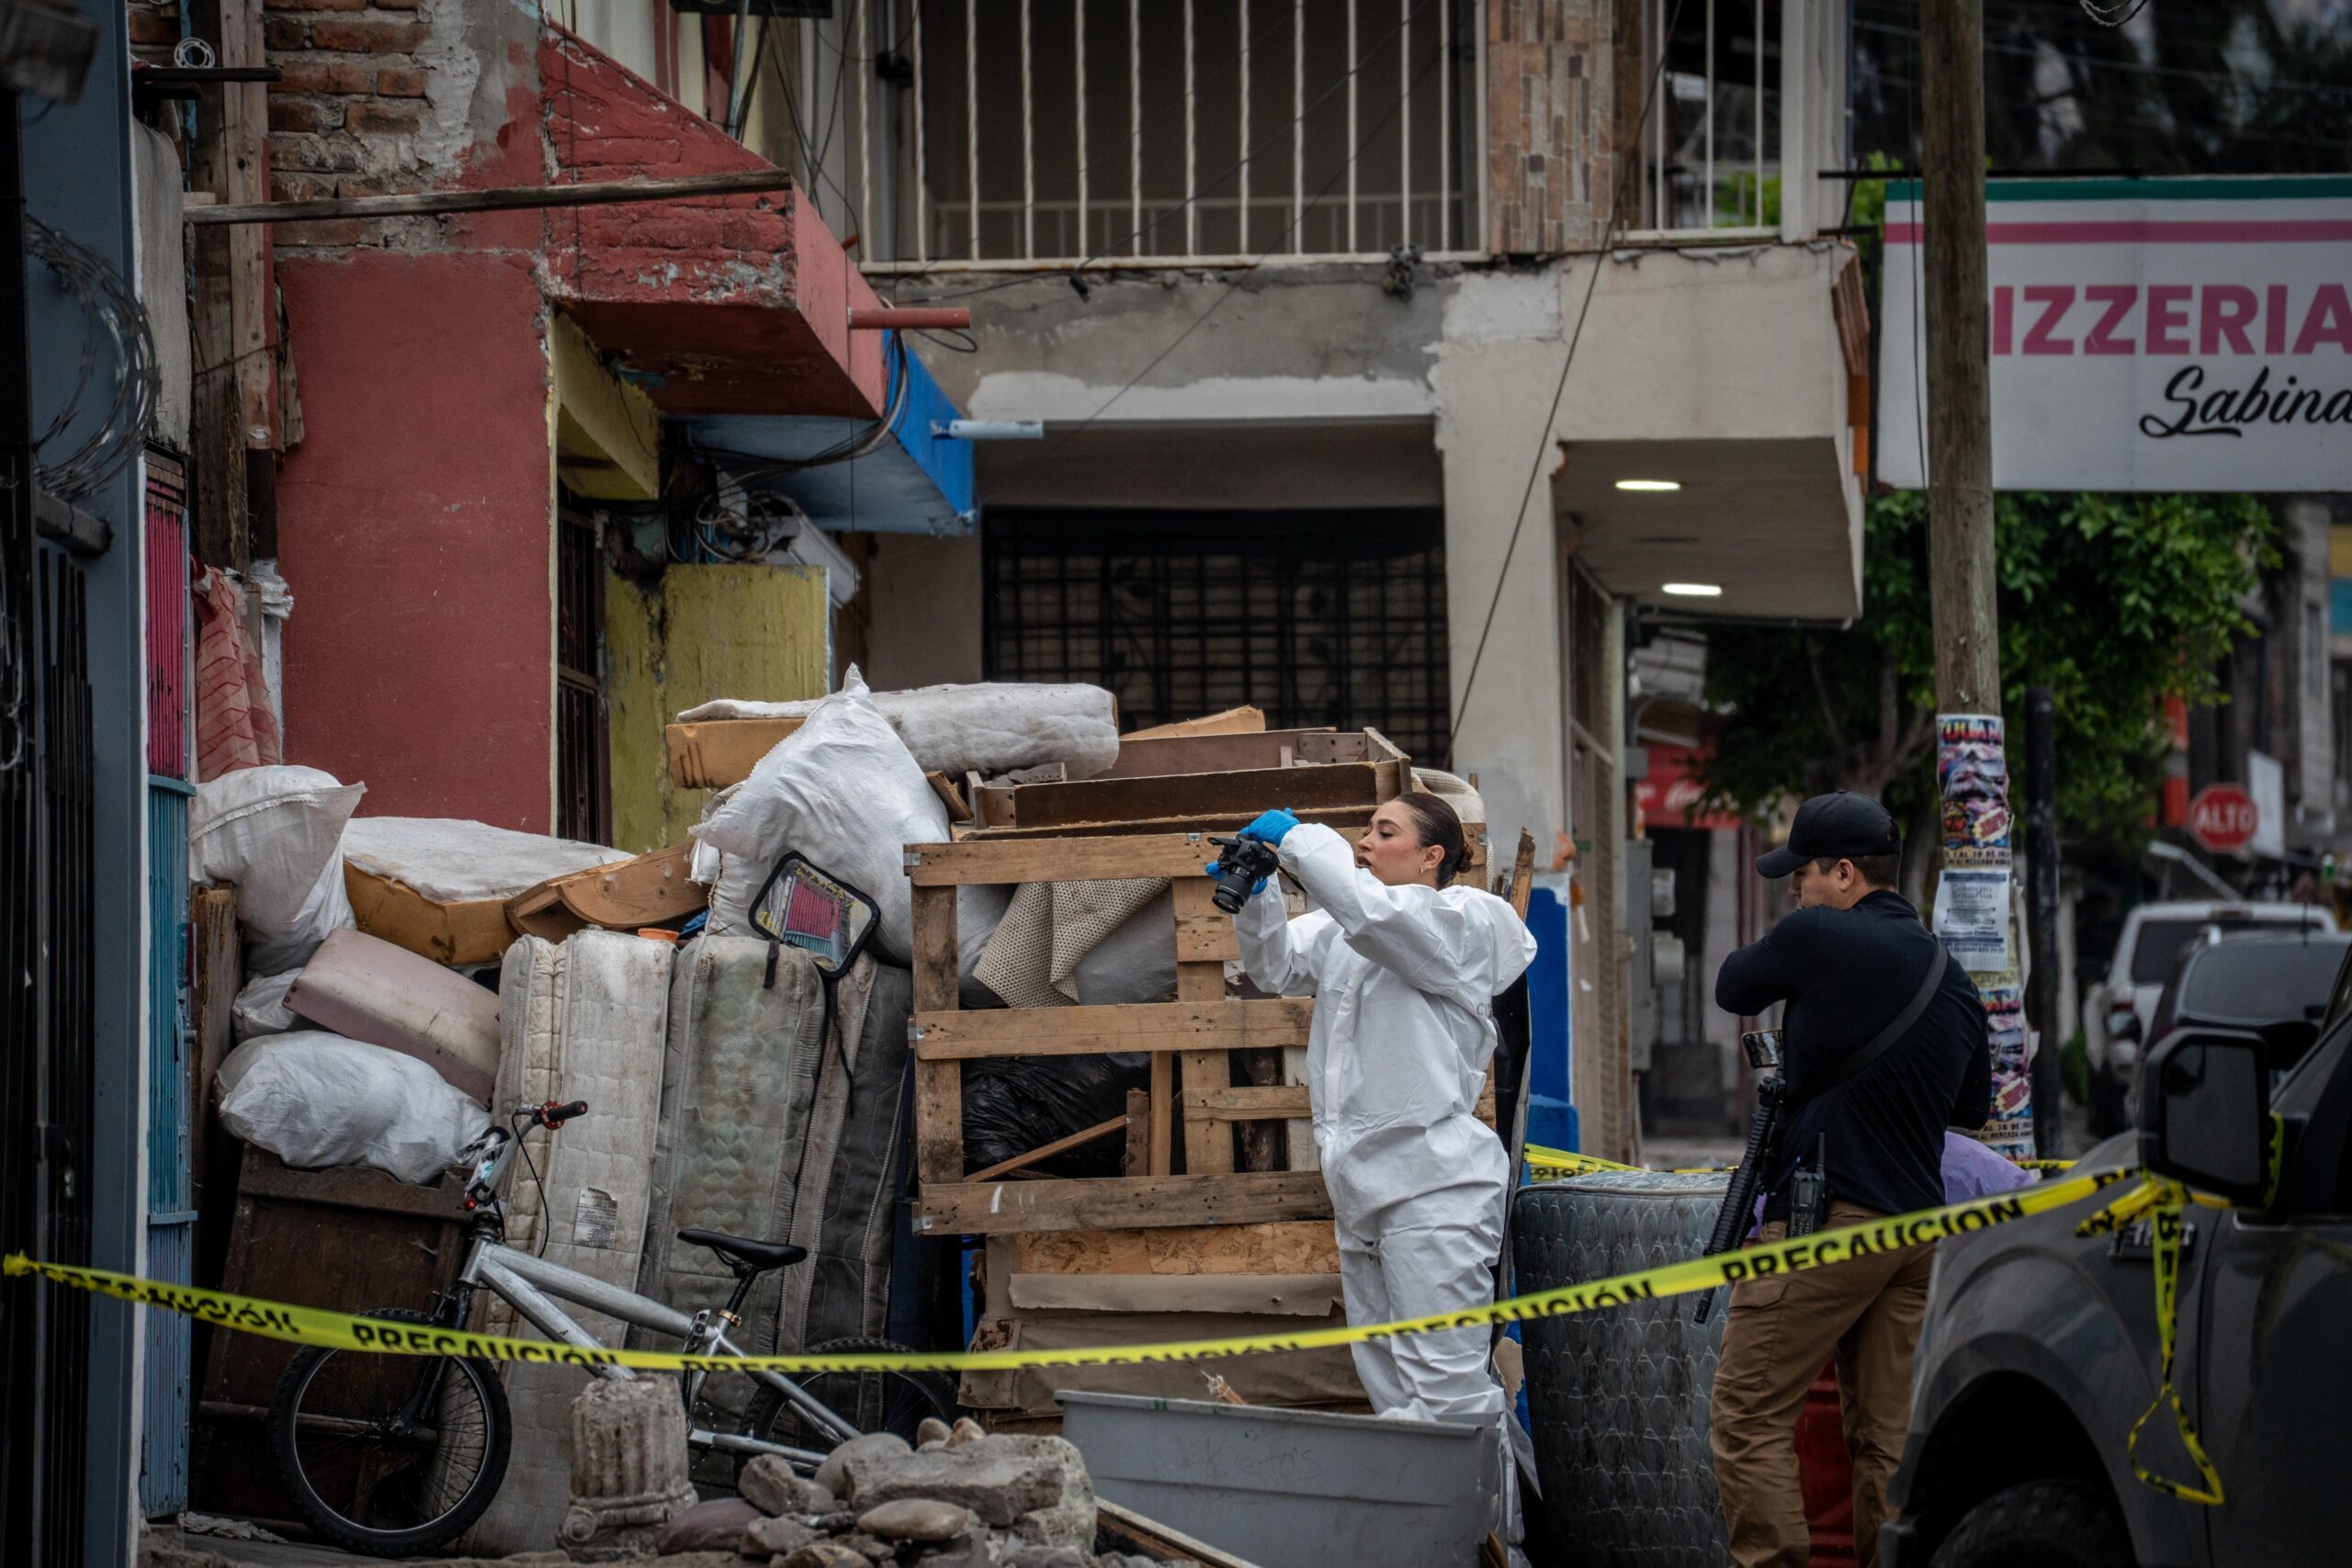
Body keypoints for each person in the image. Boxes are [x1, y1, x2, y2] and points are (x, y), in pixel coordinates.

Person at [1709, 791, 1991, 1568]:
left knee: (1749, 1416)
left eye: (1800, 874)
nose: (1792, 889)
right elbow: (1971, 1105)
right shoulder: (1953, 978)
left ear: (1842, 872)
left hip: (1828, 1222)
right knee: (1888, 1440)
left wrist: (1808, 955)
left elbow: (1734, 986)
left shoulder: (1820, 935)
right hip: (1915, 1238)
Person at [1226, 793, 1537, 1423]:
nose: (1364, 840)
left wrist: (1301, 840)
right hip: (1364, 1190)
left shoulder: (1468, 918)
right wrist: (1258, 891)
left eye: (1384, 831)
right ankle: (1428, 1522)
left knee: (1447, 1394)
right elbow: (1277, 965)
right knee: (1394, 1393)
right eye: (1364, 828)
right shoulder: (1355, 923)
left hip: (1434, 1193)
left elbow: (1379, 920)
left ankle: (1488, 1524)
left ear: (1431, 856)